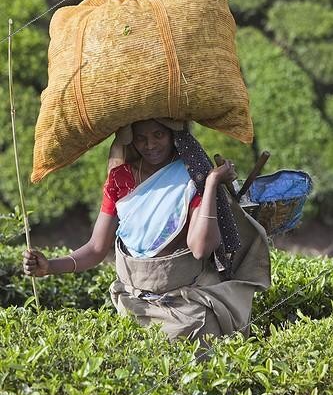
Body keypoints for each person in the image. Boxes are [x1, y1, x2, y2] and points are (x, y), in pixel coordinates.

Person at [23, 119, 270, 342]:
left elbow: (201, 248)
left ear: (173, 135)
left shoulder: (191, 178)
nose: (150, 144)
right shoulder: (120, 180)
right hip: (134, 306)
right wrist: (50, 267)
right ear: (131, 140)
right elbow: (96, 248)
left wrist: (211, 183)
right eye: (141, 137)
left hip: (185, 308)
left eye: (158, 135)